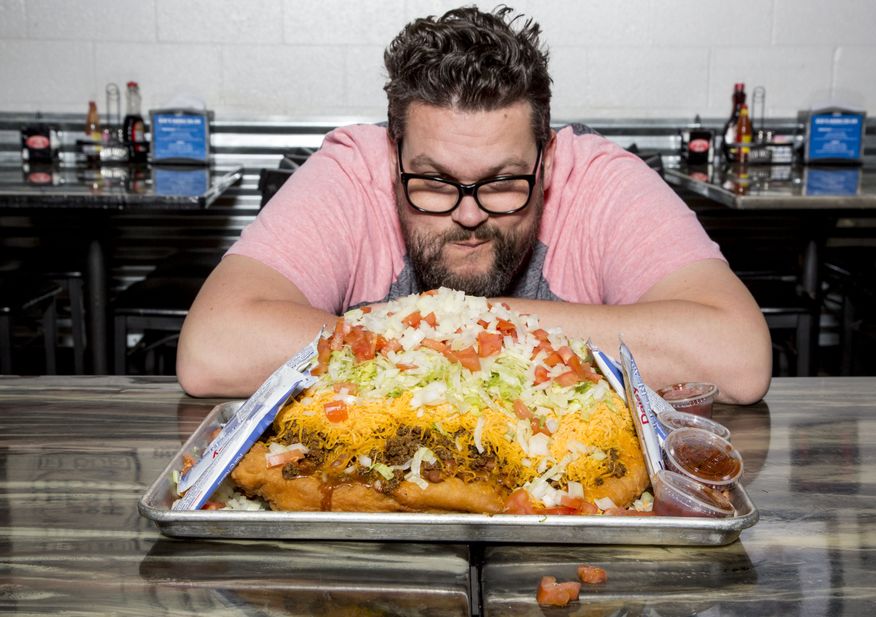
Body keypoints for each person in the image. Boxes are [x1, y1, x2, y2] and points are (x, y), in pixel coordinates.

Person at [177, 6, 772, 403]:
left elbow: (737, 358)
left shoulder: (595, 177)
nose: (468, 215)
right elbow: (213, 349)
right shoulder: (354, 169)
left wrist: (462, 326)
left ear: (548, 158)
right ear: (393, 158)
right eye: (434, 182)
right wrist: (463, 331)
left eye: (503, 182)